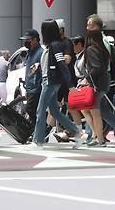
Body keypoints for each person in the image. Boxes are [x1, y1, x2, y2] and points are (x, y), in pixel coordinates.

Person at [27, 20, 87, 150]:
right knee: (54, 111)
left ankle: (38, 141)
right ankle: (78, 133)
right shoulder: (52, 45)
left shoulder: (55, 45)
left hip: (50, 82)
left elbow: (62, 64)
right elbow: (55, 63)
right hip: (50, 81)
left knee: (40, 111)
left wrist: (70, 84)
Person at [86, 14, 115, 143]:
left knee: (94, 109)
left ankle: (96, 137)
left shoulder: (99, 42)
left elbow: (100, 65)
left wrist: (87, 77)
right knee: (102, 110)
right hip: (104, 79)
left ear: (96, 26)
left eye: (90, 25)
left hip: (99, 79)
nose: (87, 27)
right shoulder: (102, 40)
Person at [79, 30, 110, 147]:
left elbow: (95, 68)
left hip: (96, 84)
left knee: (94, 112)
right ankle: (96, 136)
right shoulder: (102, 50)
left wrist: (86, 78)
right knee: (87, 109)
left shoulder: (91, 50)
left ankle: (100, 139)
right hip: (103, 83)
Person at [20, 29, 42, 126]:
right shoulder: (30, 52)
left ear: (35, 40)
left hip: (36, 88)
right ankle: (37, 131)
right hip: (29, 87)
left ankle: (40, 130)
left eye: (28, 40)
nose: (26, 42)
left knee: (30, 110)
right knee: (32, 111)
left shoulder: (41, 53)